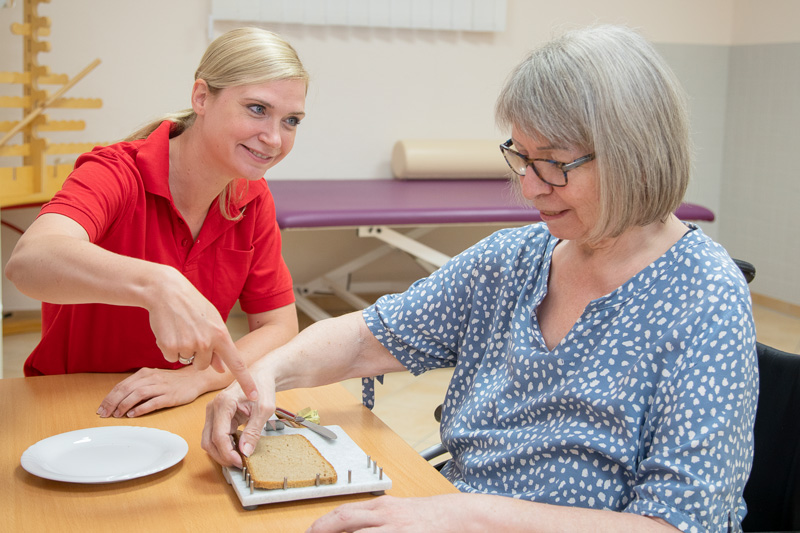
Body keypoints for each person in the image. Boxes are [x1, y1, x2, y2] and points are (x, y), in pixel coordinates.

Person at [201, 25, 757, 532]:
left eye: (555, 164)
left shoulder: (705, 298)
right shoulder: (515, 259)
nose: (531, 187)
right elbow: (367, 338)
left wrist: (467, 515)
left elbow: (683, 525)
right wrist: (264, 375)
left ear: (633, 155)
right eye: (521, 156)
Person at [5, 27, 308, 418]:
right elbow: (28, 262)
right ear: (201, 97)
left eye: (292, 120)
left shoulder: (251, 197)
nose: (274, 138)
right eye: (257, 109)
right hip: (77, 402)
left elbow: (279, 326)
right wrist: (158, 284)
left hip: (179, 403)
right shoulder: (116, 172)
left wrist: (201, 379)